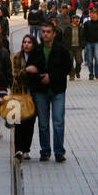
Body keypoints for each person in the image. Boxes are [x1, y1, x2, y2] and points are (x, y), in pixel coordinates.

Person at [27, 21, 72, 162]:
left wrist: (51, 77)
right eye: (43, 31)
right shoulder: (36, 50)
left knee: (58, 122)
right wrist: (39, 76)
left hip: (57, 90)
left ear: (53, 33)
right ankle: (45, 151)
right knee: (43, 123)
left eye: (48, 31)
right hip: (40, 90)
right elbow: (30, 69)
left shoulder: (61, 50)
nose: (45, 34)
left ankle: (59, 151)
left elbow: (67, 68)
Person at [11, 34, 39, 160]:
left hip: (32, 95)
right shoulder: (17, 57)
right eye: (24, 42)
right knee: (18, 124)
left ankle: (26, 148)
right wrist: (27, 70)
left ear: (33, 44)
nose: (26, 44)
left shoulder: (38, 57)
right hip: (18, 94)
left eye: (29, 42)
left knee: (30, 123)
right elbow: (16, 76)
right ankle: (18, 149)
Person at [82, 9, 98, 80]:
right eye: (91, 14)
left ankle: (97, 73)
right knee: (89, 60)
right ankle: (91, 74)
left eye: (94, 14)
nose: (92, 15)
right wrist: (85, 42)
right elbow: (84, 33)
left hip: (97, 43)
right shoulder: (87, 23)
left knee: (97, 58)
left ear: (97, 15)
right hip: (89, 43)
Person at [64, 13, 85, 80]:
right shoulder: (68, 28)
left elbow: (84, 37)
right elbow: (64, 37)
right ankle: (71, 75)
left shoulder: (81, 28)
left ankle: (77, 71)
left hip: (78, 47)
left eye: (78, 19)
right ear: (72, 20)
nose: (77, 20)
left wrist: (83, 44)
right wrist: (65, 45)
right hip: (70, 47)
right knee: (70, 61)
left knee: (79, 61)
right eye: (76, 19)